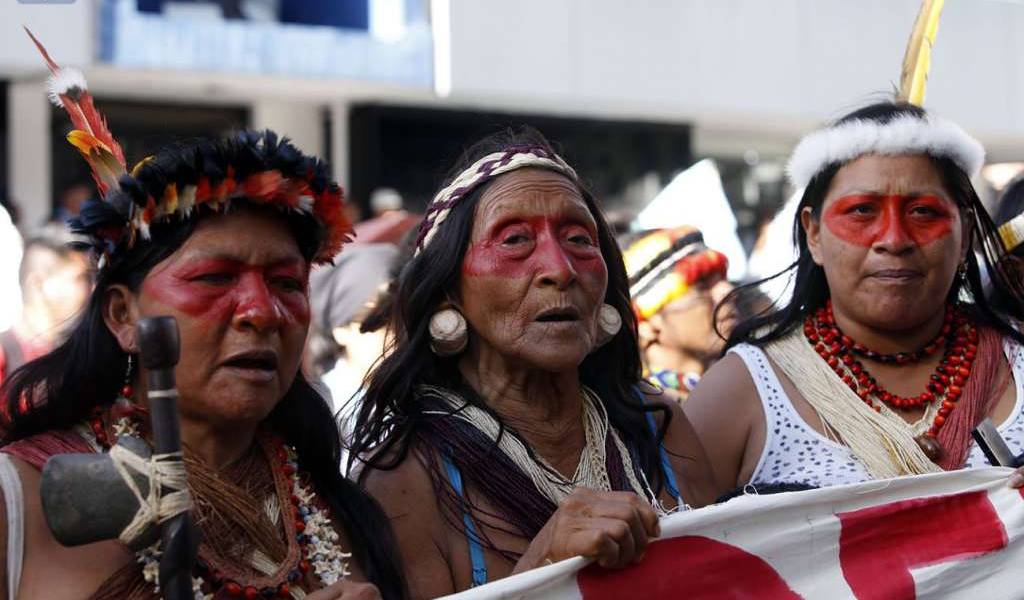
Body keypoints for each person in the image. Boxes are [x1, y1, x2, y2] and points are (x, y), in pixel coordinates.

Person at [0, 38, 402, 599]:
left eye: (287, 284)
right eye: (215, 278)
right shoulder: (18, 497)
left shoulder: (347, 506)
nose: (261, 311)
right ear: (123, 315)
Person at [350, 128, 718, 598]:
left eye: (579, 239)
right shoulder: (405, 481)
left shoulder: (655, 422)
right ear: (448, 291)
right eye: (515, 240)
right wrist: (543, 569)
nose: (560, 269)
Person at [685, 101, 1024, 495]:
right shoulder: (742, 390)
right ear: (813, 233)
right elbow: (678, 531)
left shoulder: (1016, 360)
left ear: (964, 233)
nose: (894, 240)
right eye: (862, 210)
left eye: (922, 212)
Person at [622, 226, 734, 399]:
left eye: (722, 279)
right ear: (645, 326)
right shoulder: (641, 409)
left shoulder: (739, 389)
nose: (727, 290)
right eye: (701, 286)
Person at [0, 224, 91, 387]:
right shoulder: (4, 356)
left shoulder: (75, 352)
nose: (90, 288)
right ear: (38, 284)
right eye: (78, 279)